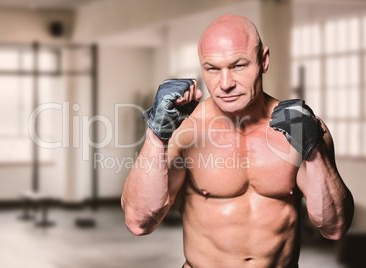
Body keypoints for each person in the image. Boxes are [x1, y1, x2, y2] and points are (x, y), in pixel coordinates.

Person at [121, 14, 354, 268]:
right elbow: (138, 221)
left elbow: (334, 228)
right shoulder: (184, 132)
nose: (225, 84)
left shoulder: (301, 128)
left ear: (263, 61)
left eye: (238, 66)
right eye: (212, 68)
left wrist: (315, 152)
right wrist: (156, 136)